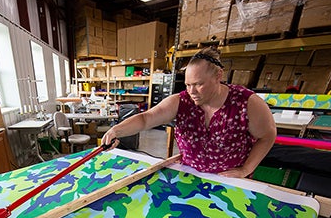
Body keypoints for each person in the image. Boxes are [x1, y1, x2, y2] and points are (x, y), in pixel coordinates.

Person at [101, 47, 276, 178]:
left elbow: (267, 136)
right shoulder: (181, 101)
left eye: (198, 84)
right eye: (188, 84)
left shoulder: (247, 103)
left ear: (218, 76)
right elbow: (146, 119)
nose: (192, 91)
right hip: (191, 176)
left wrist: (246, 169)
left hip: (230, 179)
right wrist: (116, 131)